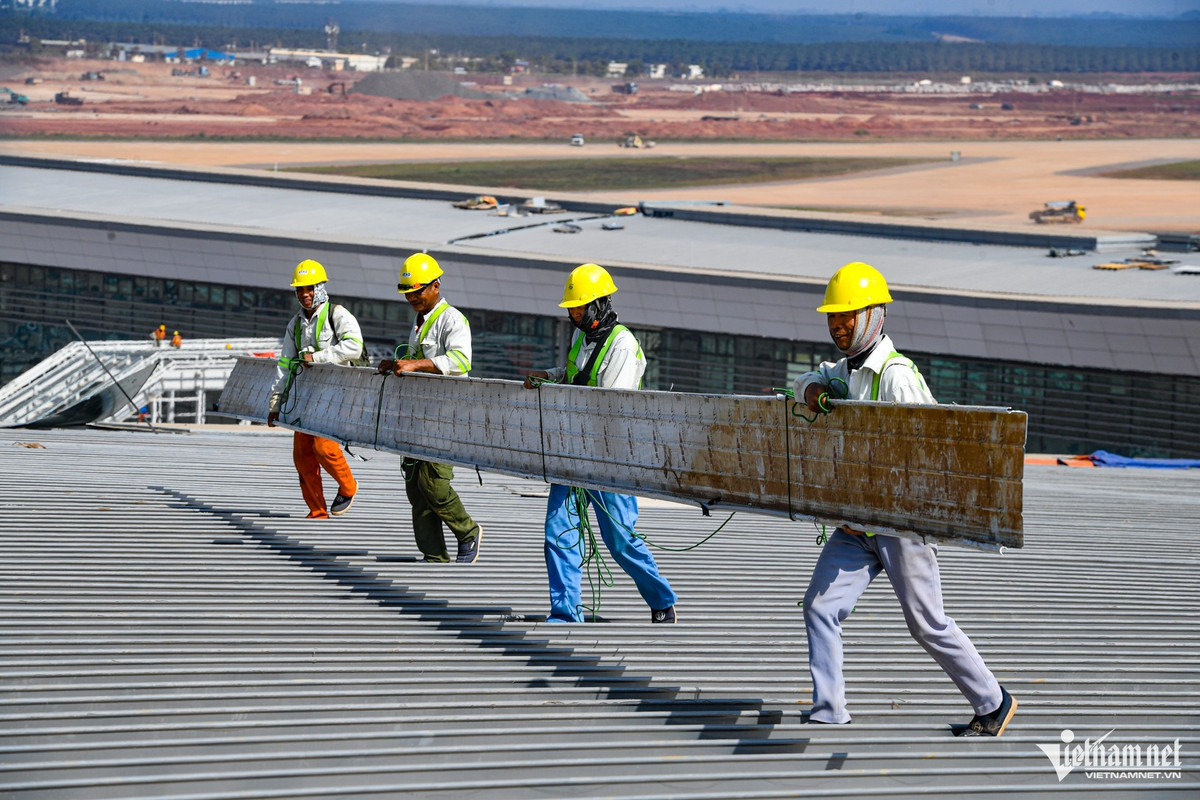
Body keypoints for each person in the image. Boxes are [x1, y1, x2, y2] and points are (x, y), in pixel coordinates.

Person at [794, 261, 1016, 737]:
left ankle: (993, 702)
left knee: (926, 623)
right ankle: (828, 710)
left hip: (900, 524)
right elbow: (805, 380)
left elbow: (932, 448)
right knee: (819, 607)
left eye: (847, 317)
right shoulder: (846, 371)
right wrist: (812, 388)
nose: (838, 326)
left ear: (873, 316)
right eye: (833, 318)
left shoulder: (896, 377)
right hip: (857, 524)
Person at [523, 263, 678, 624]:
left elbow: (611, 405)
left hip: (611, 457)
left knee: (620, 539)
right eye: (571, 310)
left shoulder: (622, 344)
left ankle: (662, 600)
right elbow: (575, 374)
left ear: (599, 304)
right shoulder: (583, 337)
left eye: (579, 309)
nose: (574, 315)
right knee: (558, 532)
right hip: (573, 450)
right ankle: (565, 613)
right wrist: (549, 376)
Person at [376, 253, 482, 564]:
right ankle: (434, 556)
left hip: (444, 414)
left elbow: (462, 361)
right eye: (408, 293)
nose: (411, 298)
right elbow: (414, 363)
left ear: (435, 286)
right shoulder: (420, 322)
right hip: (417, 414)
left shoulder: (452, 320)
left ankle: (468, 532)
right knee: (415, 489)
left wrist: (417, 363)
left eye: (417, 291)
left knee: (433, 483)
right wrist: (397, 365)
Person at [266, 259, 362, 520]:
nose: (305, 294)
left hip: (335, 397)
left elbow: (354, 347)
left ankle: (348, 487)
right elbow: (284, 365)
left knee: (324, 448)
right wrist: (276, 403)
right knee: (303, 456)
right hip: (305, 399)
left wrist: (317, 357)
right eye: (300, 290)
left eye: (309, 288)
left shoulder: (337, 315)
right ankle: (317, 512)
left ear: (320, 287)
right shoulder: (295, 324)